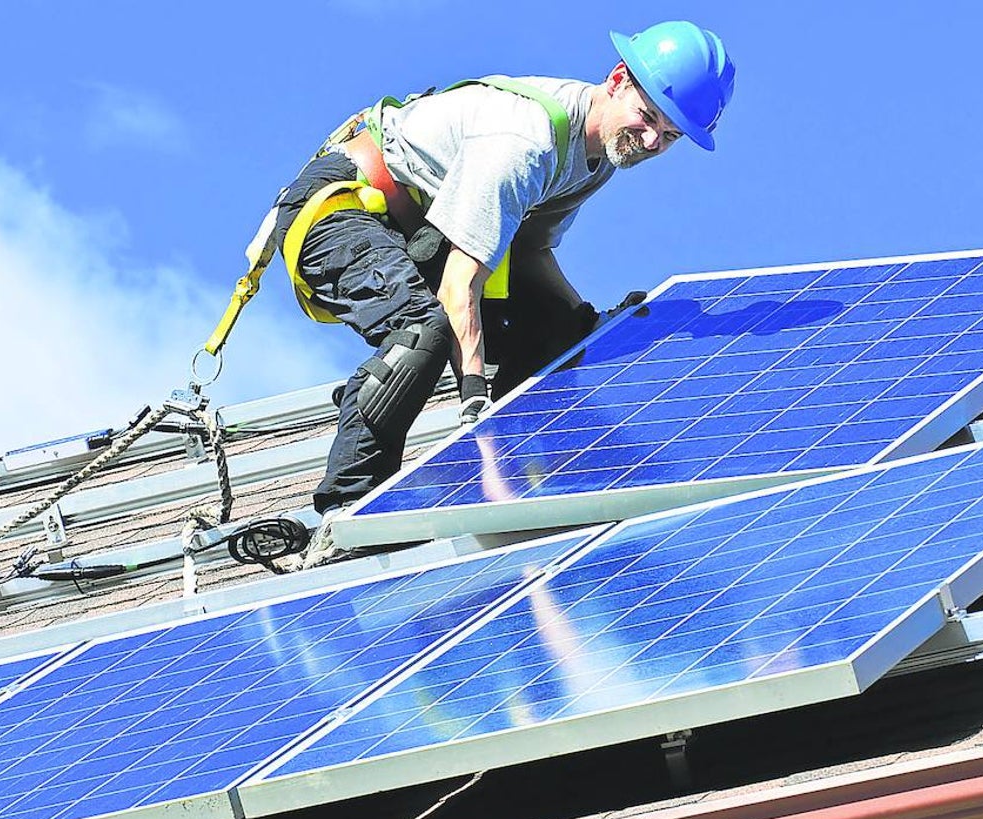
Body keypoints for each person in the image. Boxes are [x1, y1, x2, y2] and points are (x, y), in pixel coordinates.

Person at [273, 21, 736, 568]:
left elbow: (531, 255)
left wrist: (585, 322)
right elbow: (457, 287)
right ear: (617, 80)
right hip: (338, 209)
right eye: (649, 116)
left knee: (561, 331)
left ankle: (529, 464)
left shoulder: (594, 160)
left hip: (417, 233)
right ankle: (348, 517)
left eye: (672, 134)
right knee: (423, 332)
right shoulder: (528, 141)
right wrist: (475, 403)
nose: (654, 140)